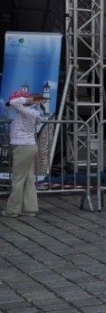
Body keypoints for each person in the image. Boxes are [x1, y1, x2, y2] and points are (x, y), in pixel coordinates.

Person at [2, 89, 48, 218]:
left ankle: (13, 210)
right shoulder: (33, 112)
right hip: (29, 146)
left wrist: (26, 99)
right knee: (28, 179)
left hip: (22, 147)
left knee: (17, 180)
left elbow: (14, 102)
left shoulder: (26, 111)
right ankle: (30, 208)